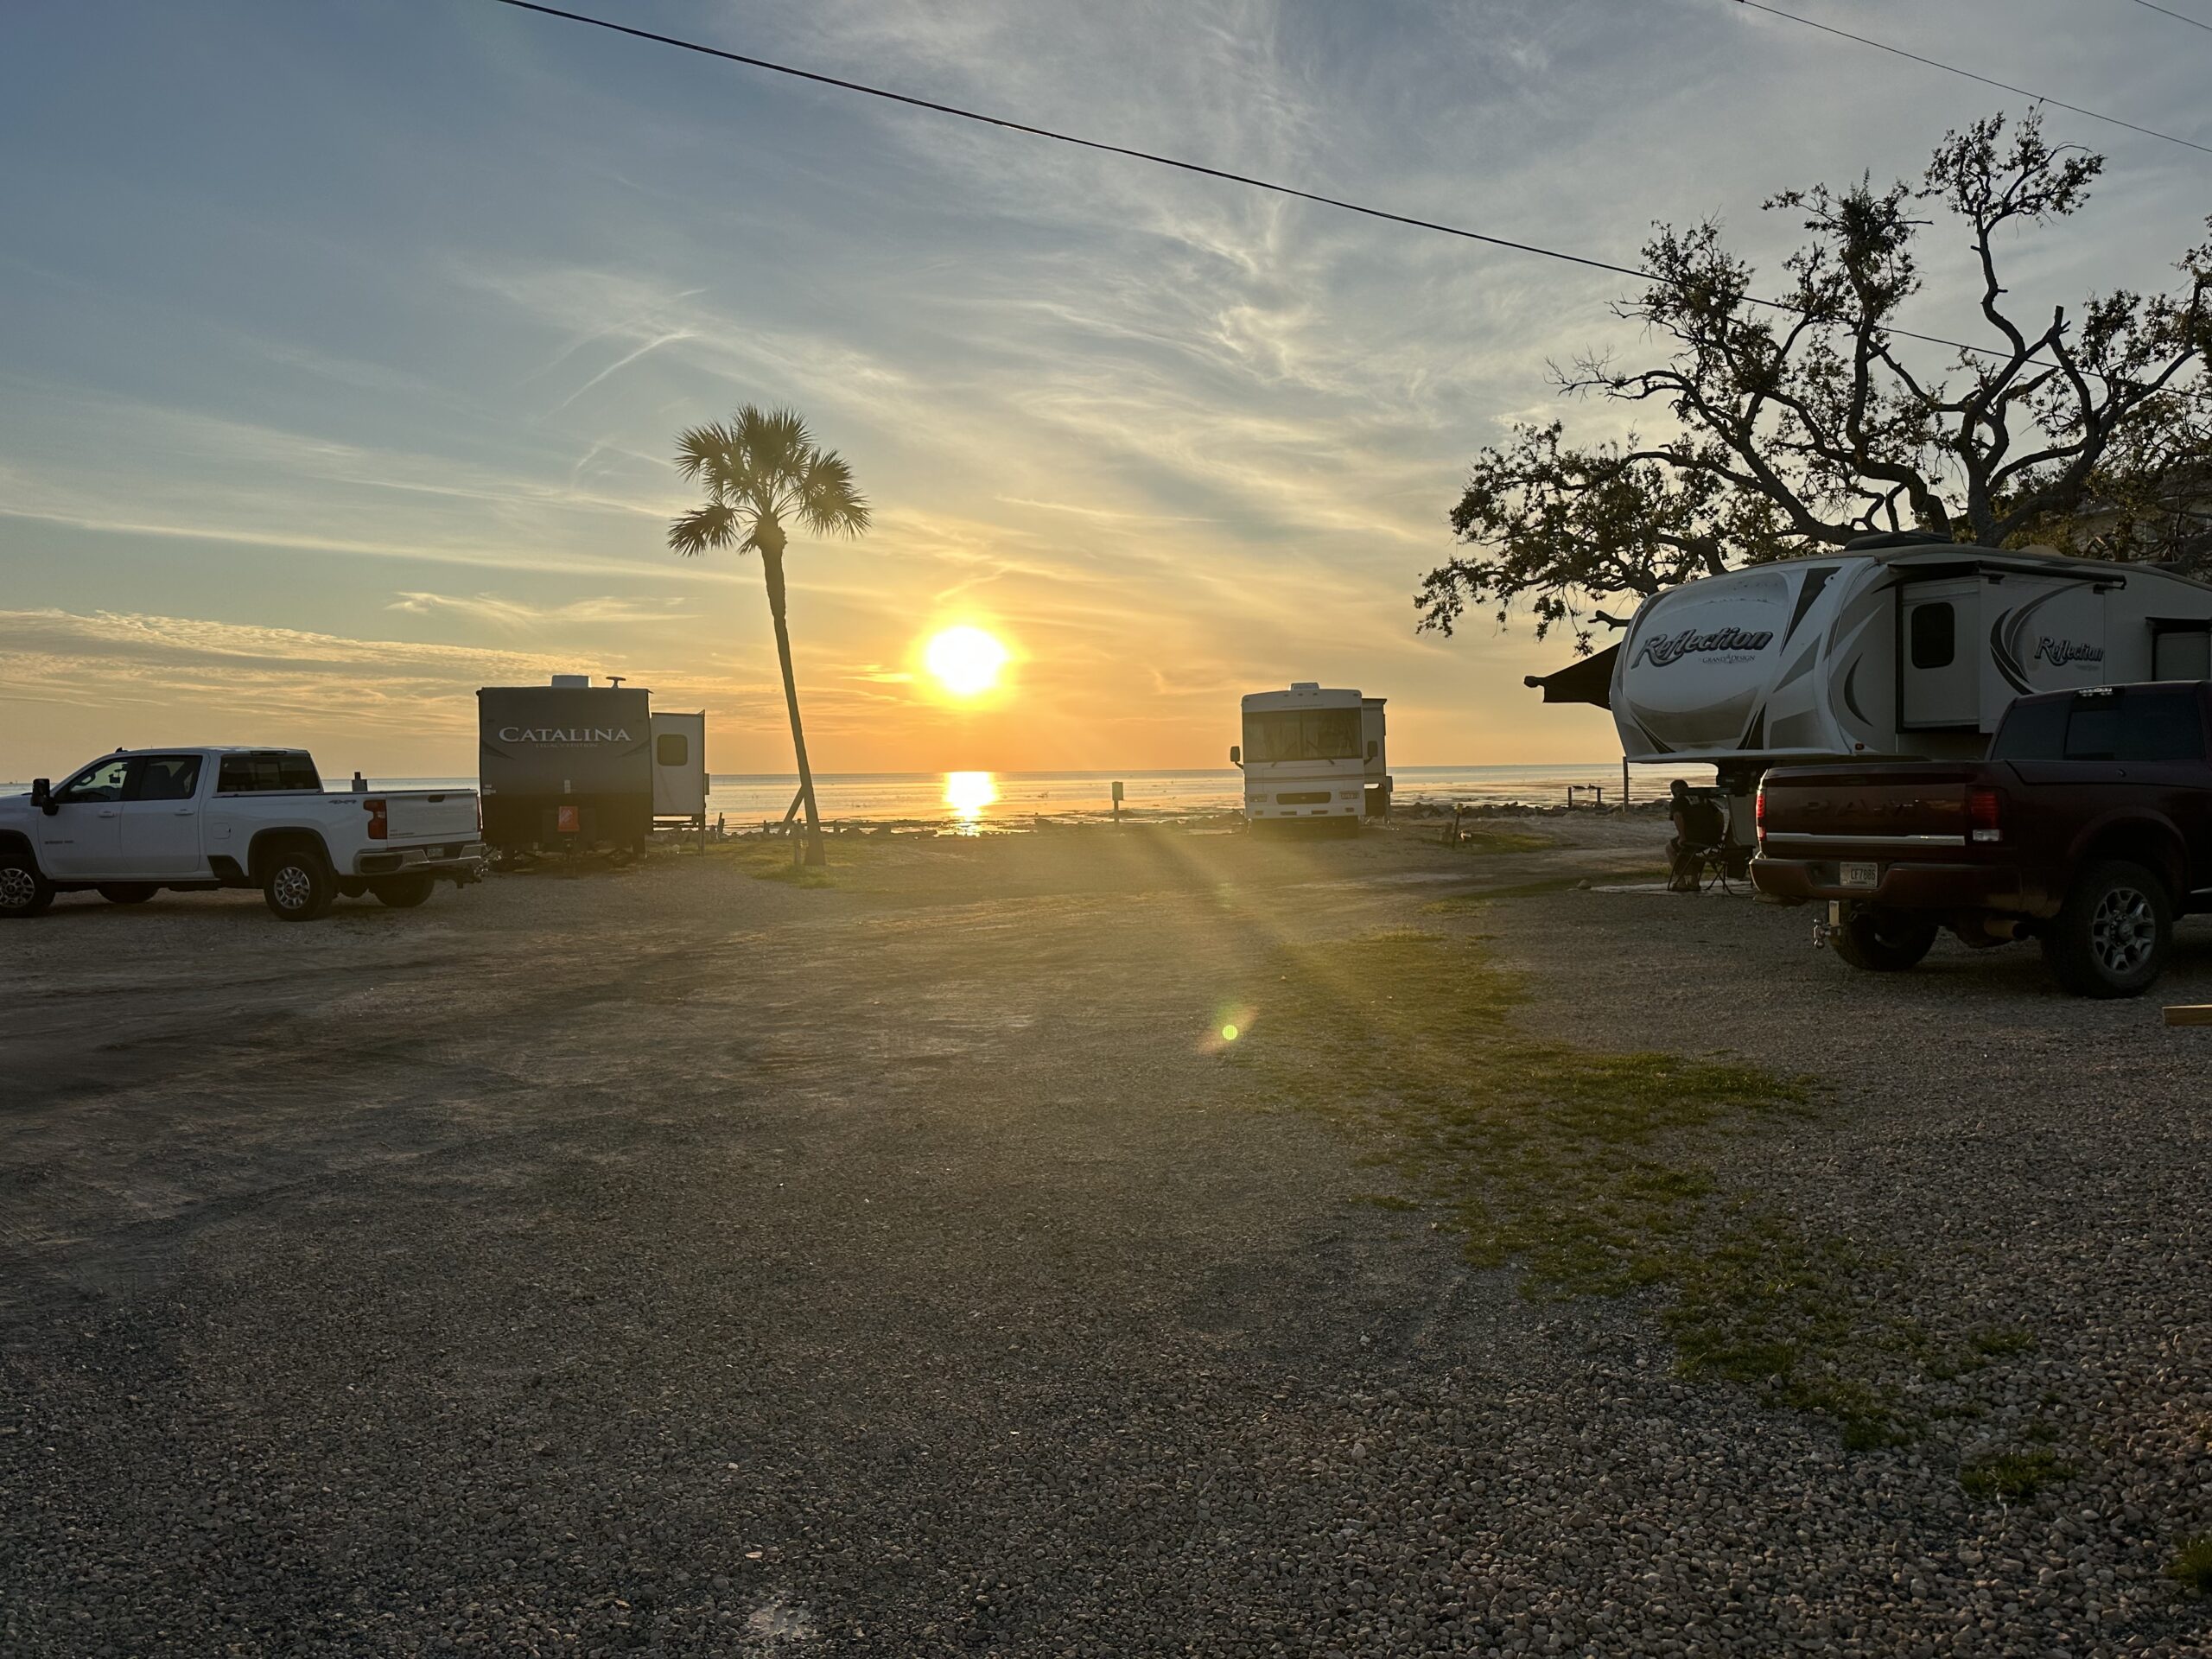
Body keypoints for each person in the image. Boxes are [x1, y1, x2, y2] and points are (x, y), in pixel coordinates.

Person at [1666, 779, 1726, 893]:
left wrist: (1682, 837)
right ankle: (1694, 882)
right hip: (1711, 839)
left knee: (1670, 848)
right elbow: (1720, 815)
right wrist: (1718, 835)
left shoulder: (1677, 801)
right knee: (1692, 851)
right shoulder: (1702, 799)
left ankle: (1681, 882)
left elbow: (1678, 816)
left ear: (1673, 792)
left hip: (1694, 838)